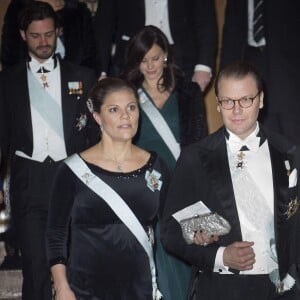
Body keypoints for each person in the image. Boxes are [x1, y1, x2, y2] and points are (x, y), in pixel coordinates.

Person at [161, 60, 300, 300]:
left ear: (261, 100)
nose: (236, 110)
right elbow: (170, 233)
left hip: (283, 290)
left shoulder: (289, 151)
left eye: (246, 100)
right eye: (227, 101)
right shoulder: (194, 157)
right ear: (217, 104)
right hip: (222, 290)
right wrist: (220, 256)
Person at [0, 2, 98, 299]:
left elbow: (94, 136)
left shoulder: (83, 77)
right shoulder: (6, 82)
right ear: (22, 35)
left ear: (58, 32)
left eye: (48, 34)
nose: (43, 42)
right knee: (35, 269)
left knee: (77, 266)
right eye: (35, 36)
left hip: (73, 178)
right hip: (28, 181)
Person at [46, 77, 169, 299]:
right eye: (114, 109)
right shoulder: (72, 170)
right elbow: (56, 233)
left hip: (139, 288)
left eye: (131, 107)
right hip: (85, 289)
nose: (126, 115)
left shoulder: (156, 165)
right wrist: (62, 286)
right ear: (97, 117)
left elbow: (172, 223)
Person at [121, 25, 208, 300]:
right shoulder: (126, 95)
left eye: (156, 58)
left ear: (166, 56)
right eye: (143, 60)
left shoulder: (188, 91)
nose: (150, 66)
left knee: (182, 259)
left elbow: (199, 144)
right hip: (144, 190)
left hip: (182, 188)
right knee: (154, 258)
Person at [220, 0, 300, 145]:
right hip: (250, 66)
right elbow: (231, 31)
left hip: (290, 71)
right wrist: (223, 79)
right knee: (259, 140)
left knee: (293, 133)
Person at [93, 0, 217, 92]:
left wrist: (204, 67)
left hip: (182, 59)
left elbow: (206, 21)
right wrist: (101, 71)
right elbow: (104, 22)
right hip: (133, 58)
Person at [1, 0, 96, 70]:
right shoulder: (18, 8)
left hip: (72, 88)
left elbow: (89, 58)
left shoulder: (79, 12)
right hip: (27, 85)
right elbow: (10, 58)